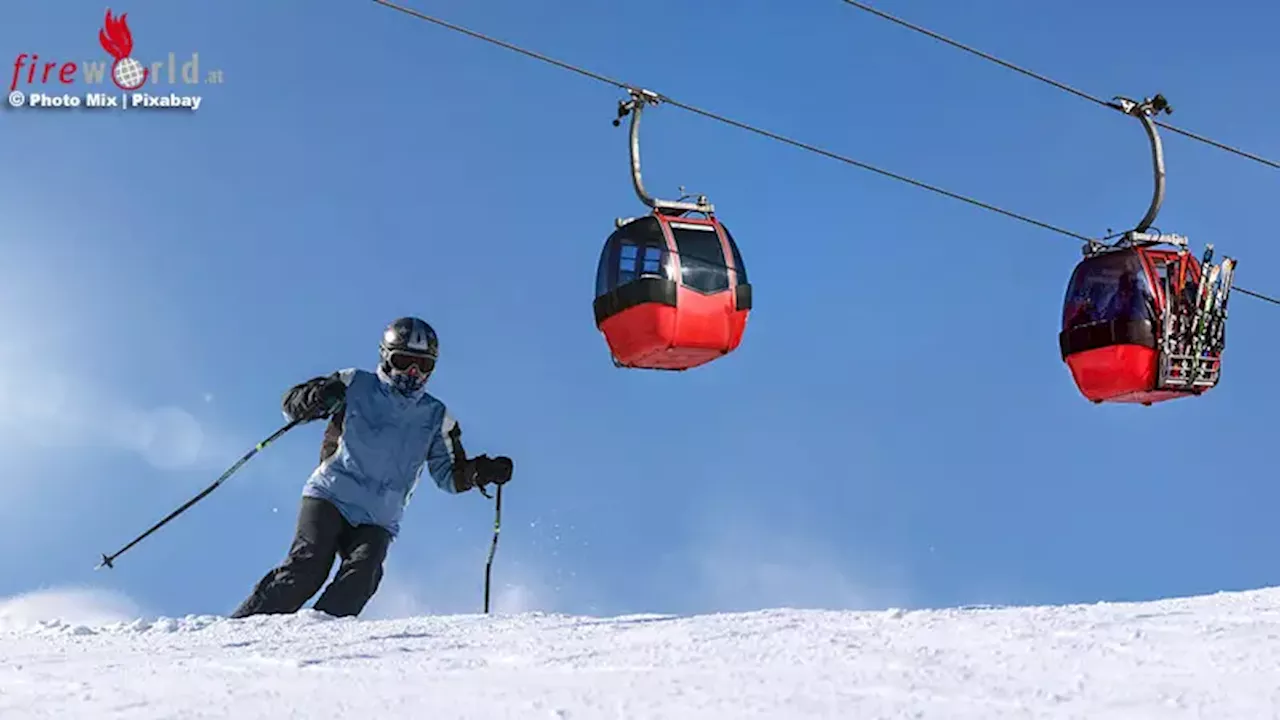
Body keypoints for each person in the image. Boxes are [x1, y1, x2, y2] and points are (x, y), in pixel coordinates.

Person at [229, 316, 513, 619]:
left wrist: (481, 471)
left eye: (423, 365)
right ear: (386, 358)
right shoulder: (355, 383)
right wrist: (320, 396)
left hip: (378, 517)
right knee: (307, 570)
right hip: (331, 495)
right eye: (403, 361)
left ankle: (318, 637)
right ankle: (242, 629)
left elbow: (449, 477)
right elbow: (292, 406)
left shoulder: (436, 416)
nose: (413, 373)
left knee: (363, 576)